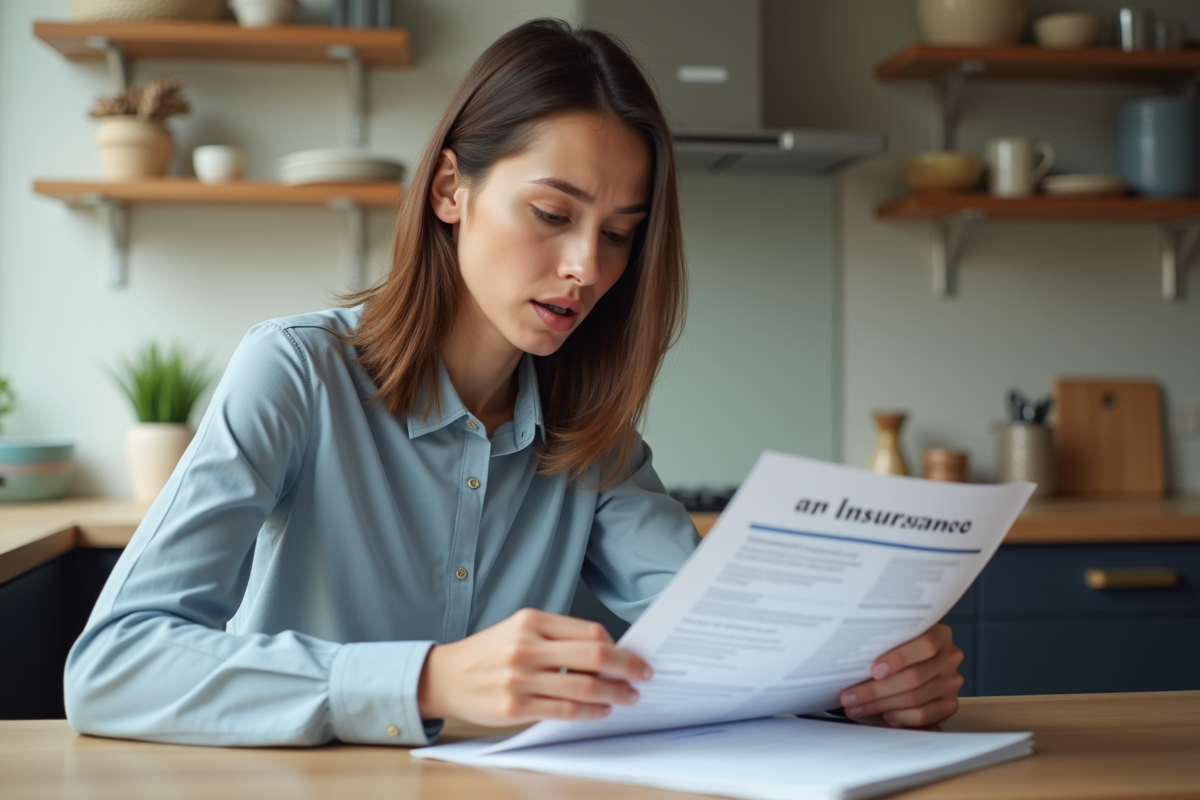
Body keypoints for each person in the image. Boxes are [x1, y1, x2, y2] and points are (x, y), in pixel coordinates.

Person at [64, 19, 963, 747]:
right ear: (452, 188)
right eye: (552, 213)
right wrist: (424, 680)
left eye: (619, 233)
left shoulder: (593, 435)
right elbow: (111, 665)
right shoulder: (298, 371)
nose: (586, 267)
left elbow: (713, 650)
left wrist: (863, 683)